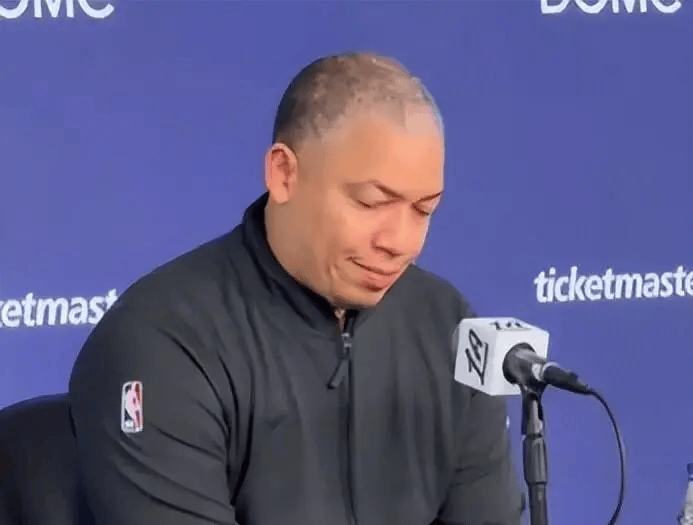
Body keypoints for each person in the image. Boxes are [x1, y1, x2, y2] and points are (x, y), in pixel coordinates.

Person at [69, 51, 525, 525]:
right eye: (371, 202)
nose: (401, 242)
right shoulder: (162, 341)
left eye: (424, 210)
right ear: (284, 174)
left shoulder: (449, 327)